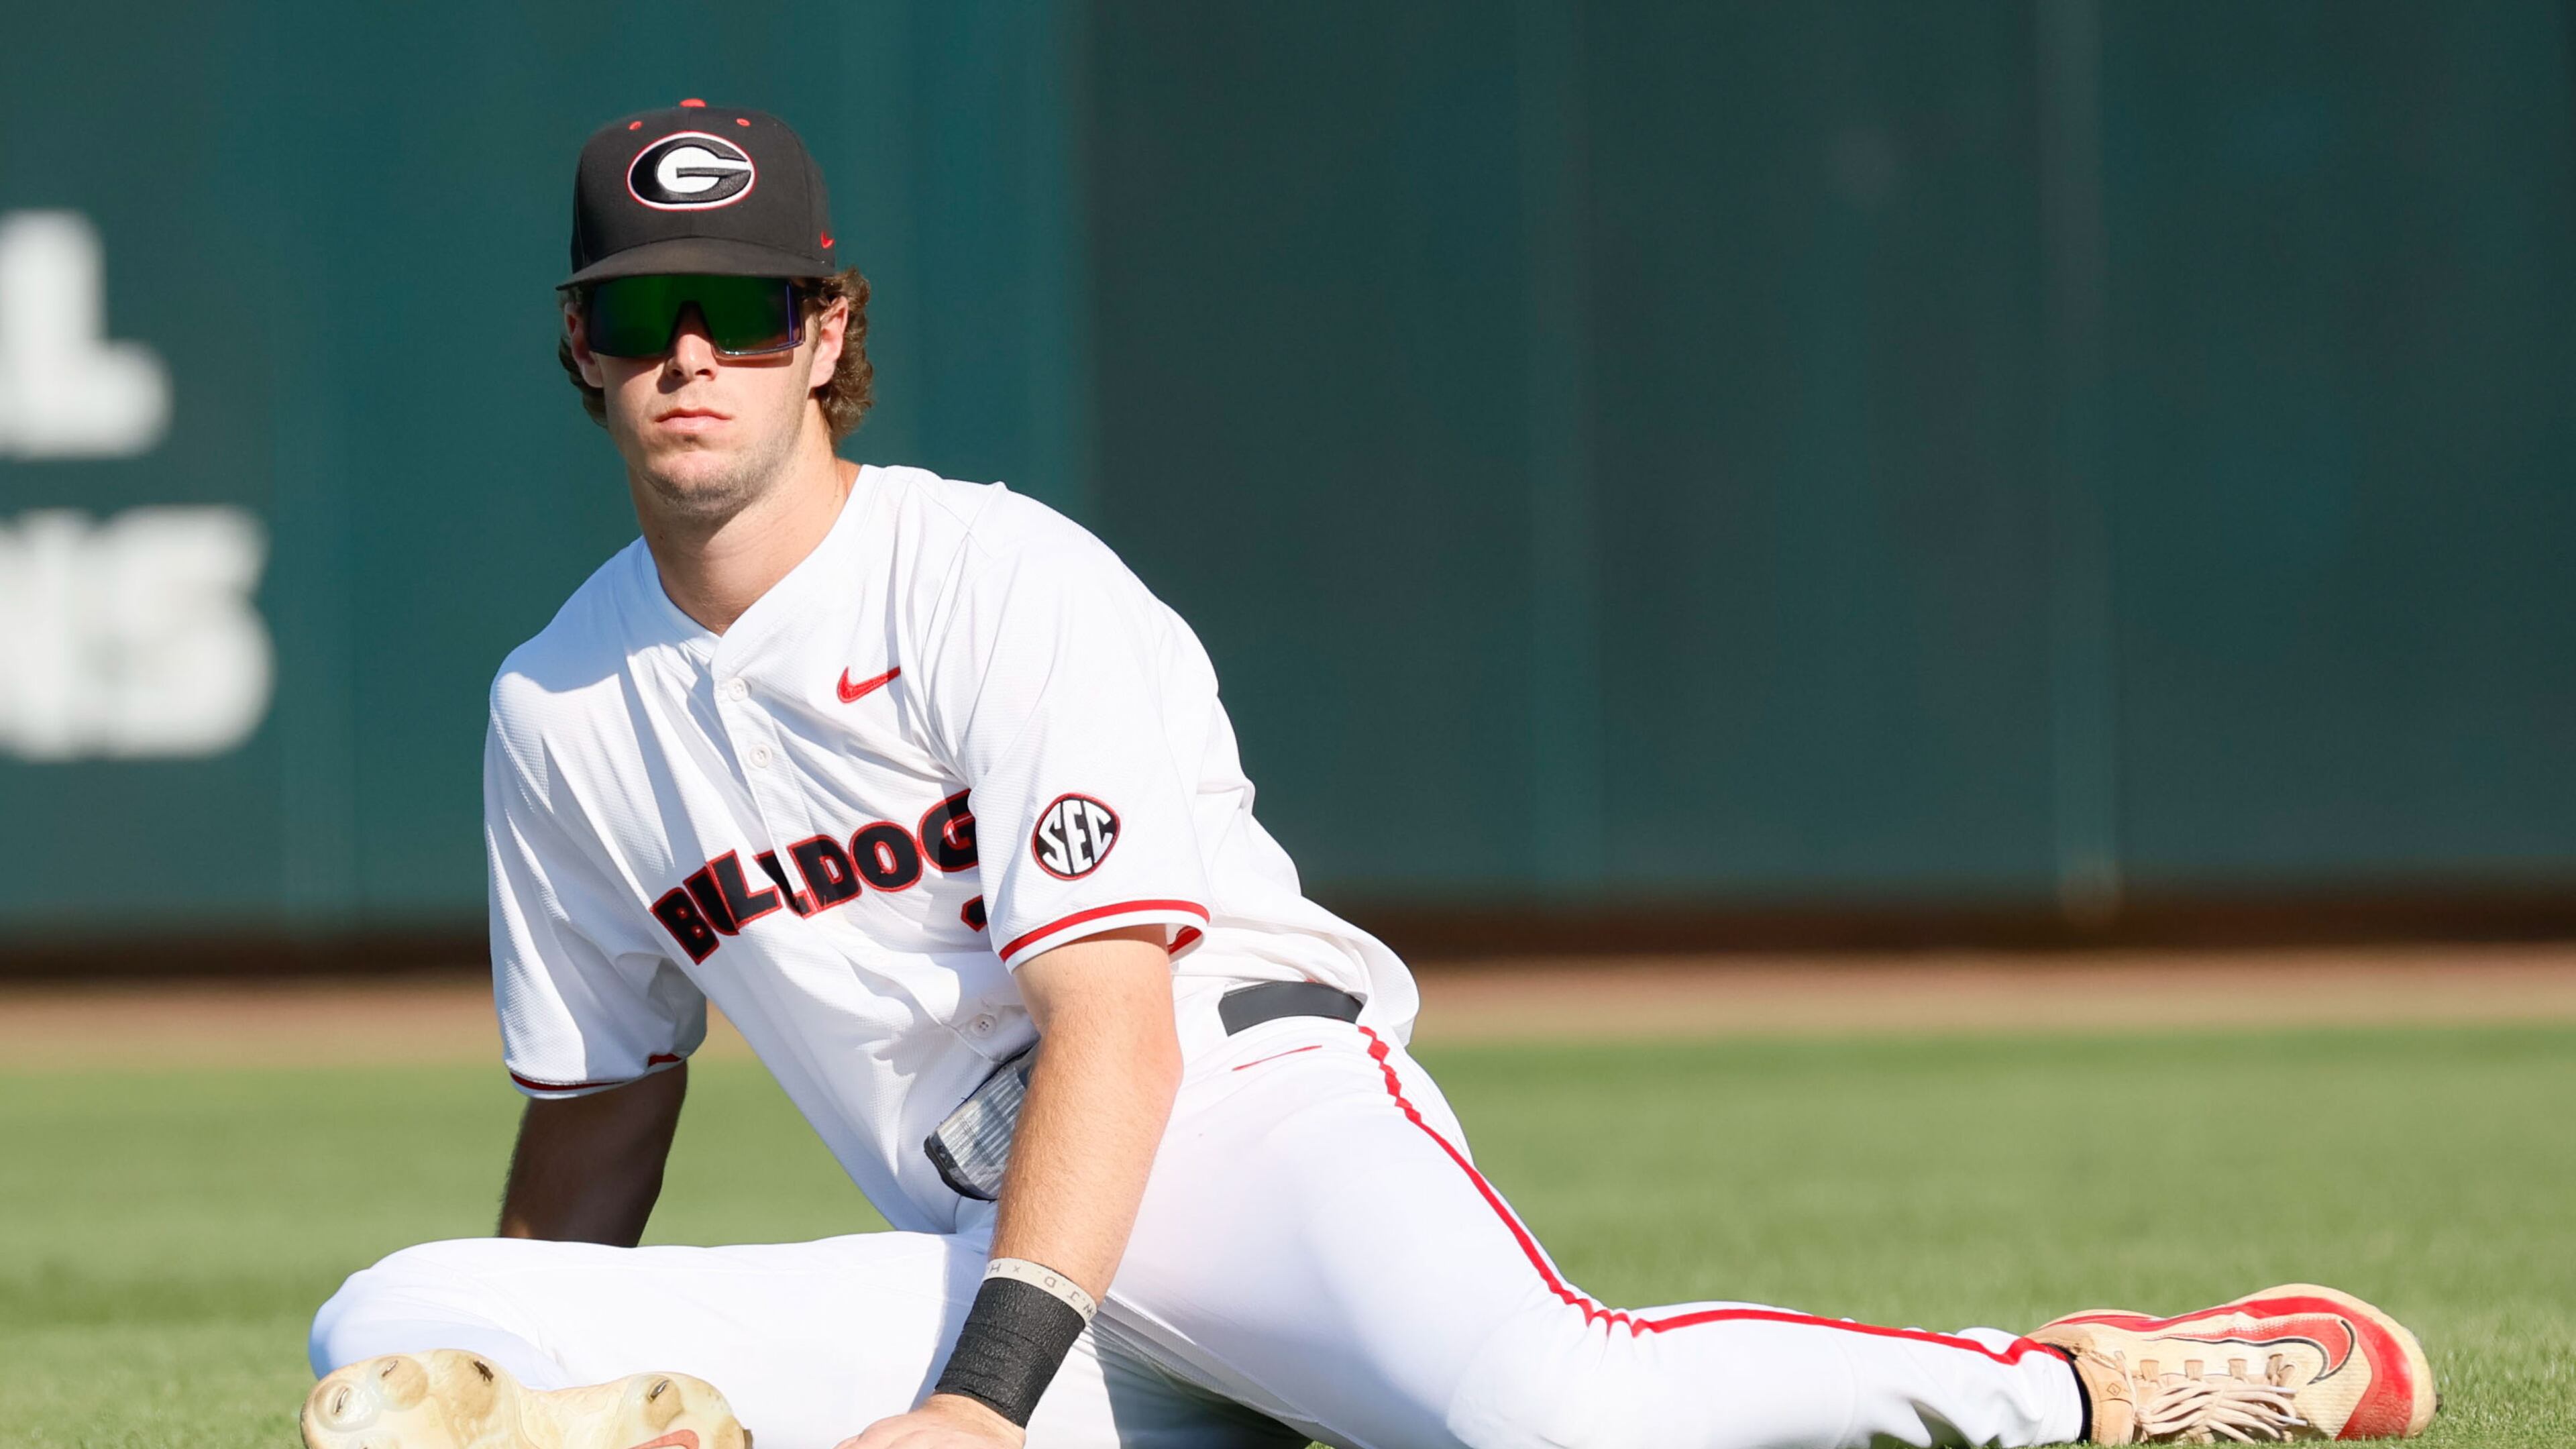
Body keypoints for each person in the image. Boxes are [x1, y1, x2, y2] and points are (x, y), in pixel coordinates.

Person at [301, 102, 2438, 1449]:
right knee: (400, 1330)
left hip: (1236, 1122)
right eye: (647, 306)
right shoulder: (560, 705)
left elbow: (1113, 1025)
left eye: (745, 309)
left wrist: (973, 1403)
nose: (694, 350)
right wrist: (546, 1363)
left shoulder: (988, 576)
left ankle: (2090, 1391)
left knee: (1545, 1420)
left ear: (828, 334)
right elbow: (597, 1114)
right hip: (996, 1245)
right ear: (581, 345)